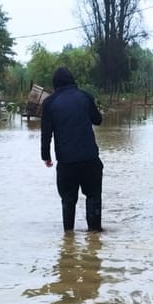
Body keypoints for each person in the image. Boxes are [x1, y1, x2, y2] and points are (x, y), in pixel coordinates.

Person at [41, 66, 104, 232]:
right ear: (72, 81)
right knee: (93, 197)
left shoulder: (49, 103)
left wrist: (45, 156)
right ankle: (95, 236)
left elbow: (46, 133)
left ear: (55, 85)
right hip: (90, 159)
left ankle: (68, 240)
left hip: (66, 163)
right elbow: (98, 120)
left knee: (68, 201)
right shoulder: (85, 97)